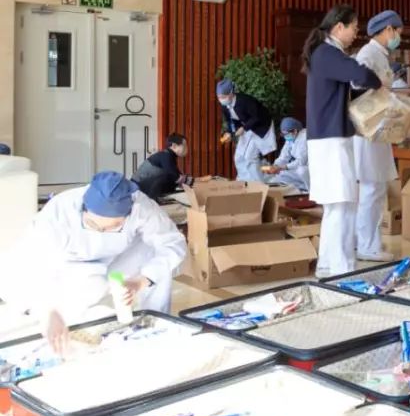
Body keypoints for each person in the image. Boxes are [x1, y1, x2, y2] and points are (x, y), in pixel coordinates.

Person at [0, 171, 186, 353]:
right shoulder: (59, 212)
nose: (101, 232)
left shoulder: (141, 207)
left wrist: (141, 281)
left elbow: (173, 244)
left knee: (156, 256)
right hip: (69, 264)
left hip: (117, 258)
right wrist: (48, 311)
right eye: (93, 224)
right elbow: (33, 265)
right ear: (84, 208)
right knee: (49, 302)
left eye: (114, 226)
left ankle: (155, 324)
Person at [302, 4, 382, 277]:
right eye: (354, 28)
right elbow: (362, 74)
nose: (356, 33)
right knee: (343, 205)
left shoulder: (323, 53)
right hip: (331, 140)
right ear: (339, 27)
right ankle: (342, 268)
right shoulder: (327, 53)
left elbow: (349, 86)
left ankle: (329, 265)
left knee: (337, 206)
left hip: (327, 138)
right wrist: (379, 83)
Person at [353, 10, 404, 261]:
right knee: (371, 189)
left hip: (379, 129)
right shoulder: (368, 54)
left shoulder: (381, 55)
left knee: (376, 189)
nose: (399, 37)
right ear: (388, 30)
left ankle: (368, 243)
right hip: (368, 130)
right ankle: (367, 246)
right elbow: (357, 85)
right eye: (398, 31)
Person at [216, 79, 277, 182]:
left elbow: (256, 117)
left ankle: (258, 184)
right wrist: (229, 133)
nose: (221, 99)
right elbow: (230, 121)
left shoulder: (245, 101)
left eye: (223, 96)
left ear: (231, 93)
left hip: (260, 127)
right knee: (239, 157)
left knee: (250, 157)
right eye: (219, 97)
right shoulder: (225, 106)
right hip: (246, 129)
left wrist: (244, 128)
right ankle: (243, 180)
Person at [132, 133, 202, 200]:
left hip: (141, 188)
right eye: (184, 145)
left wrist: (191, 181)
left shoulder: (167, 155)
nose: (186, 148)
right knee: (170, 178)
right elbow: (175, 176)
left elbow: (176, 173)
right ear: (174, 146)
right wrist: (194, 182)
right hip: (138, 190)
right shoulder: (166, 156)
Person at [267, 117, 309, 191]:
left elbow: (301, 161)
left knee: (301, 171)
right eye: (283, 134)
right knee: (279, 175)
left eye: (285, 134)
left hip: (308, 168)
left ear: (295, 131)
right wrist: (275, 165)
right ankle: (300, 188)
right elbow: (284, 156)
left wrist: (283, 167)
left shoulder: (304, 137)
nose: (285, 136)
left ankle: (310, 190)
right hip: (297, 167)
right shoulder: (291, 138)